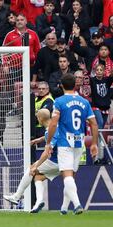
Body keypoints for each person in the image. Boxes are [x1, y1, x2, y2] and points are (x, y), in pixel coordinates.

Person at [45, 73, 99, 215]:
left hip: (64, 142)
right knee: (71, 175)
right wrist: (94, 143)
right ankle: (64, 208)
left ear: (61, 85)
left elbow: (54, 123)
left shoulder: (59, 101)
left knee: (67, 175)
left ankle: (77, 204)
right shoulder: (84, 102)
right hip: (79, 142)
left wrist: (48, 142)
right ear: (75, 84)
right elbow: (94, 124)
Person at [4, 109, 60, 213]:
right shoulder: (56, 126)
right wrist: (39, 140)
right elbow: (53, 136)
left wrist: (36, 165)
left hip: (56, 161)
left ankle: (16, 196)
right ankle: (39, 202)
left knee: (31, 169)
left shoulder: (49, 130)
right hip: (65, 162)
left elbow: (47, 152)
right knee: (38, 177)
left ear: (40, 119)